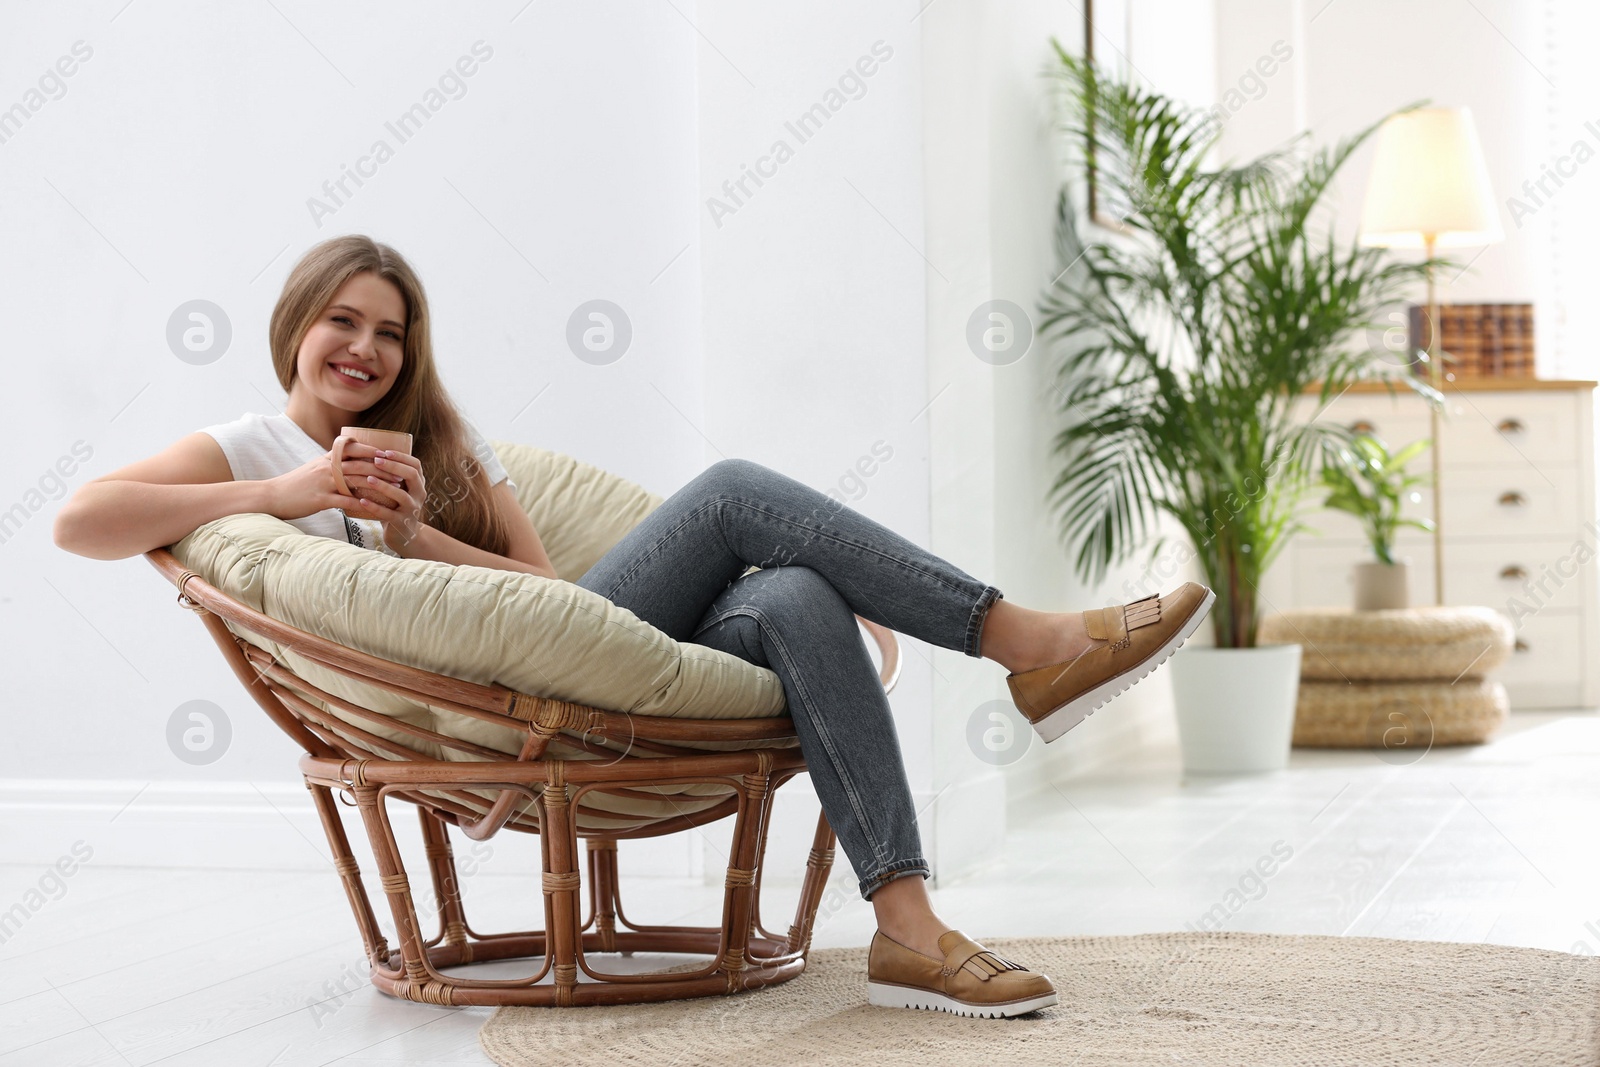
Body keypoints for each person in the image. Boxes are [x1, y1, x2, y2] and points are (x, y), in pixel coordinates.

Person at [54, 235, 1215, 1020]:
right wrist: (281, 495)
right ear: (294, 327)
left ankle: (906, 913)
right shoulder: (252, 445)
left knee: (797, 591)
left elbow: (541, 587)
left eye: (391, 332)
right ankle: (1019, 645)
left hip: (572, 642)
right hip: (492, 708)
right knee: (736, 500)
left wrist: (419, 538)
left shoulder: (443, 447)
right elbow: (82, 518)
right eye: (341, 322)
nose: (364, 349)